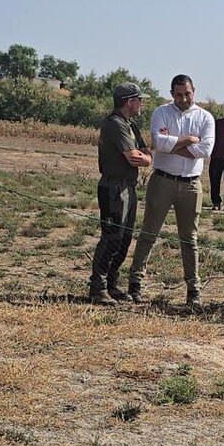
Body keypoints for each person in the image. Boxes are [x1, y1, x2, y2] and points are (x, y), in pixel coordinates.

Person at [126, 74, 215, 307]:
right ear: (171, 94)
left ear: (194, 91)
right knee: (149, 233)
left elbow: (205, 149)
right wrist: (189, 140)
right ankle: (135, 283)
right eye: (178, 94)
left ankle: (193, 290)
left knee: (189, 239)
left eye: (187, 94)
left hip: (191, 185)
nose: (183, 99)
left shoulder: (205, 117)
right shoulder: (161, 112)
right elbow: (158, 142)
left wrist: (173, 144)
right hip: (162, 181)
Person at [89, 83, 152, 305]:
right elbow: (134, 157)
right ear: (129, 102)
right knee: (112, 238)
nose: (141, 104)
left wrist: (146, 158)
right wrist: (145, 159)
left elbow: (145, 152)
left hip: (128, 187)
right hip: (114, 187)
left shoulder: (130, 125)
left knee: (124, 239)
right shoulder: (115, 124)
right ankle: (97, 287)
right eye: (139, 100)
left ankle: (111, 284)